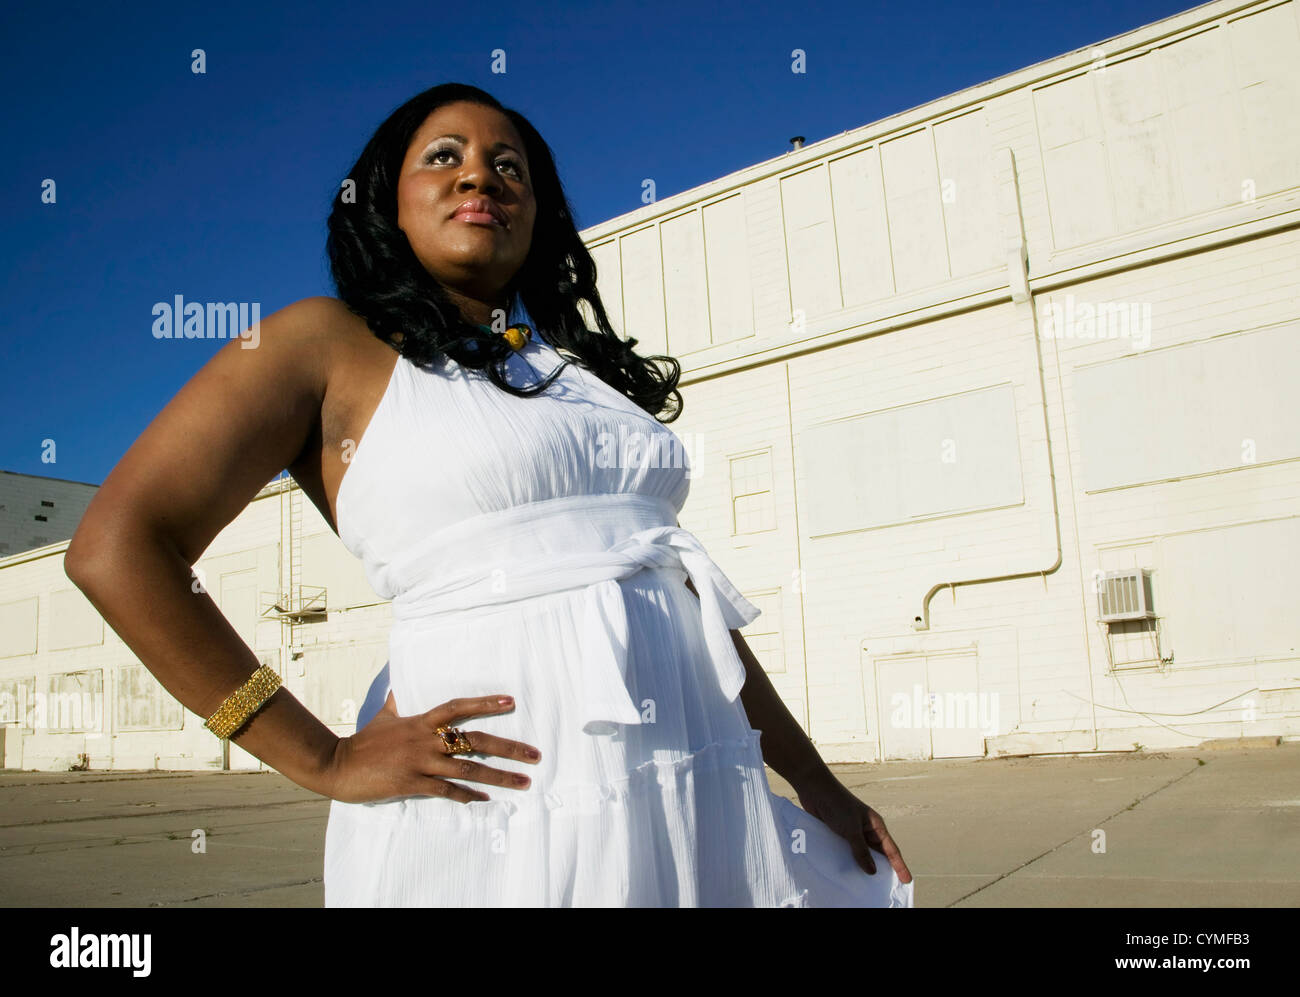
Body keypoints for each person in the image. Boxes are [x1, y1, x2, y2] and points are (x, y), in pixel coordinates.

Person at [66, 82, 912, 907]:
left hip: (690, 782)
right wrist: (321, 757)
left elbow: (683, 592)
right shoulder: (325, 344)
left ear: (538, 213)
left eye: (509, 167)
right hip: (496, 803)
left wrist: (812, 777)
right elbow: (117, 546)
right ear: (387, 204)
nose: (480, 176)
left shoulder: (577, 376)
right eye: (445, 157)